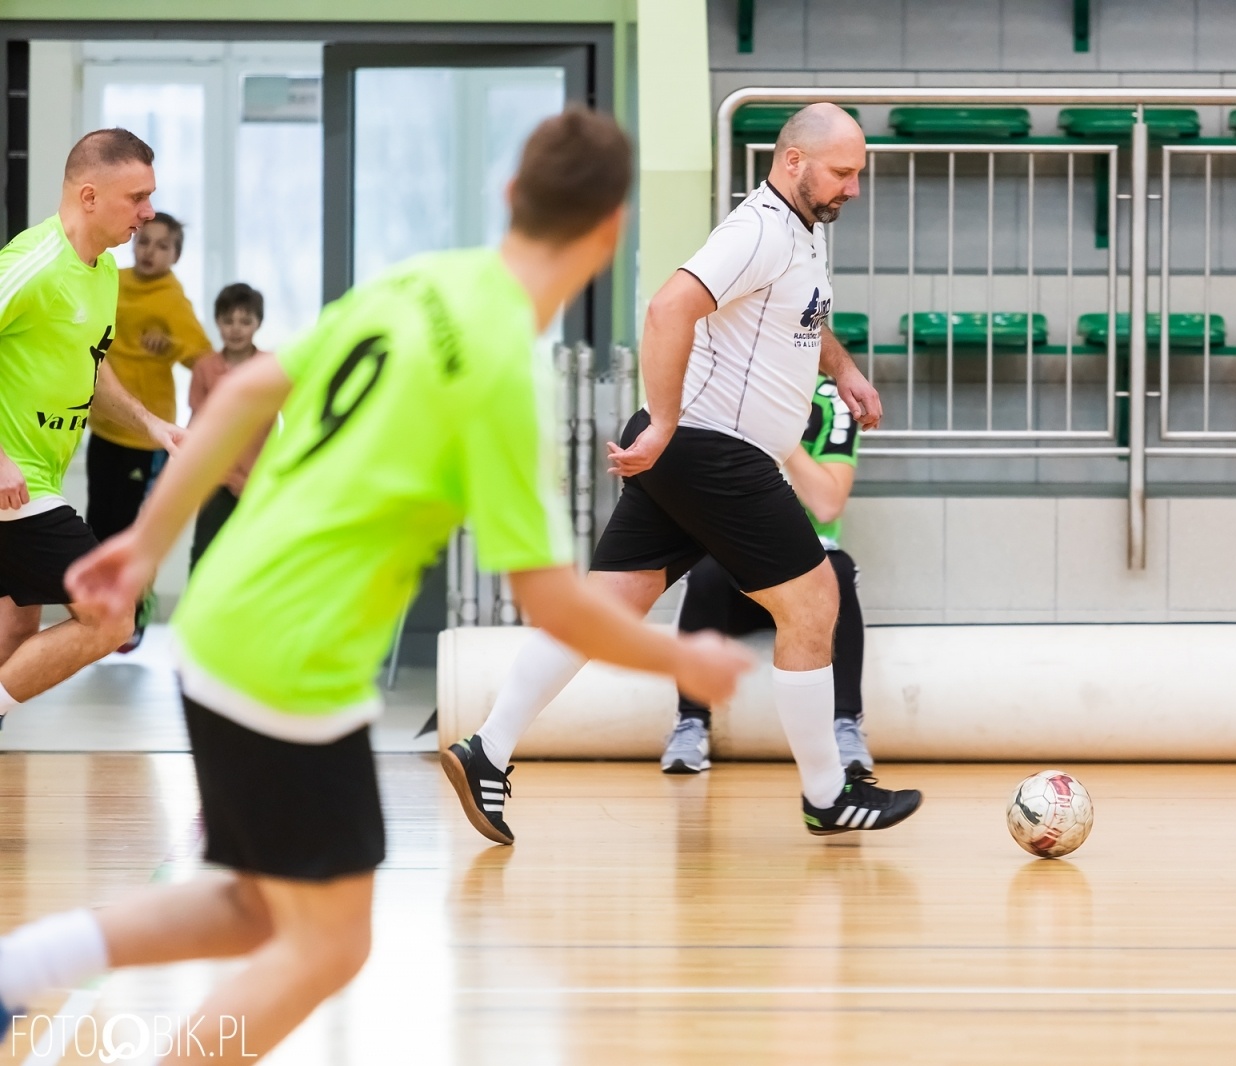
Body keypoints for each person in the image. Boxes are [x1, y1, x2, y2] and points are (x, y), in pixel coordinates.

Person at [0, 109, 751, 1057]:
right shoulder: (502, 377)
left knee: (254, 910)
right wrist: (686, 657)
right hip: (293, 658)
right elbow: (555, 604)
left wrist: (149, 543)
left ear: (511, 196)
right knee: (329, 943)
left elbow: (247, 388)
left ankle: (16, 971)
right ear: (609, 234)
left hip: (229, 615)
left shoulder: (420, 278)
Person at [447, 102, 922, 845]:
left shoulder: (799, 232)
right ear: (793, 162)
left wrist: (846, 370)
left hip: (694, 451)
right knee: (813, 602)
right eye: (842, 172)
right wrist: (664, 423)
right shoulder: (758, 229)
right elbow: (671, 309)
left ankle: (487, 752)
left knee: (605, 609)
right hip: (713, 448)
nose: (852, 188)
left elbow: (803, 318)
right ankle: (828, 795)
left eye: (857, 174)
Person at [0, 129, 185, 726]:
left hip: (37, 479)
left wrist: (152, 423)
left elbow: (90, 366)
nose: (148, 212)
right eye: (137, 197)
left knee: (15, 628)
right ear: (88, 196)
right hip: (15, 481)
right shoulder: (32, 262)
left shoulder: (103, 271)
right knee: (112, 615)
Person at [663, 374, 871, 775]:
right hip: (739, 570)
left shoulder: (829, 400)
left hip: (808, 577)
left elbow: (827, 505)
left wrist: (780, 432)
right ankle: (690, 721)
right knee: (704, 572)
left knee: (839, 571)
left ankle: (845, 724)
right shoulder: (721, 389)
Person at [88, 211, 211, 649]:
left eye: (163, 246)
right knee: (98, 523)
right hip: (103, 427)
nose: (150, 251)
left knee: (134, 532)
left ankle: (133, 616)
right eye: (145, 242)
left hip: (147, 437)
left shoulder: (172, 300)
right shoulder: (111, 280)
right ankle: (99, 617)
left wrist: (171, 347)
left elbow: (203, 358)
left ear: (176, 256)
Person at [187, 282, 269, 569]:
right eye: (228, 320)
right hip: (216, 481)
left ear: (258, 323)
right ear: (218, 322)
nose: (236, 329)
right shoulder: (205, 368)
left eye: (245, 321)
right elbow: (196, 426)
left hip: (260, 480)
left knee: (255, 558)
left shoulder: (271, 367)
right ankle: (196, 615)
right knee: (205, 557)